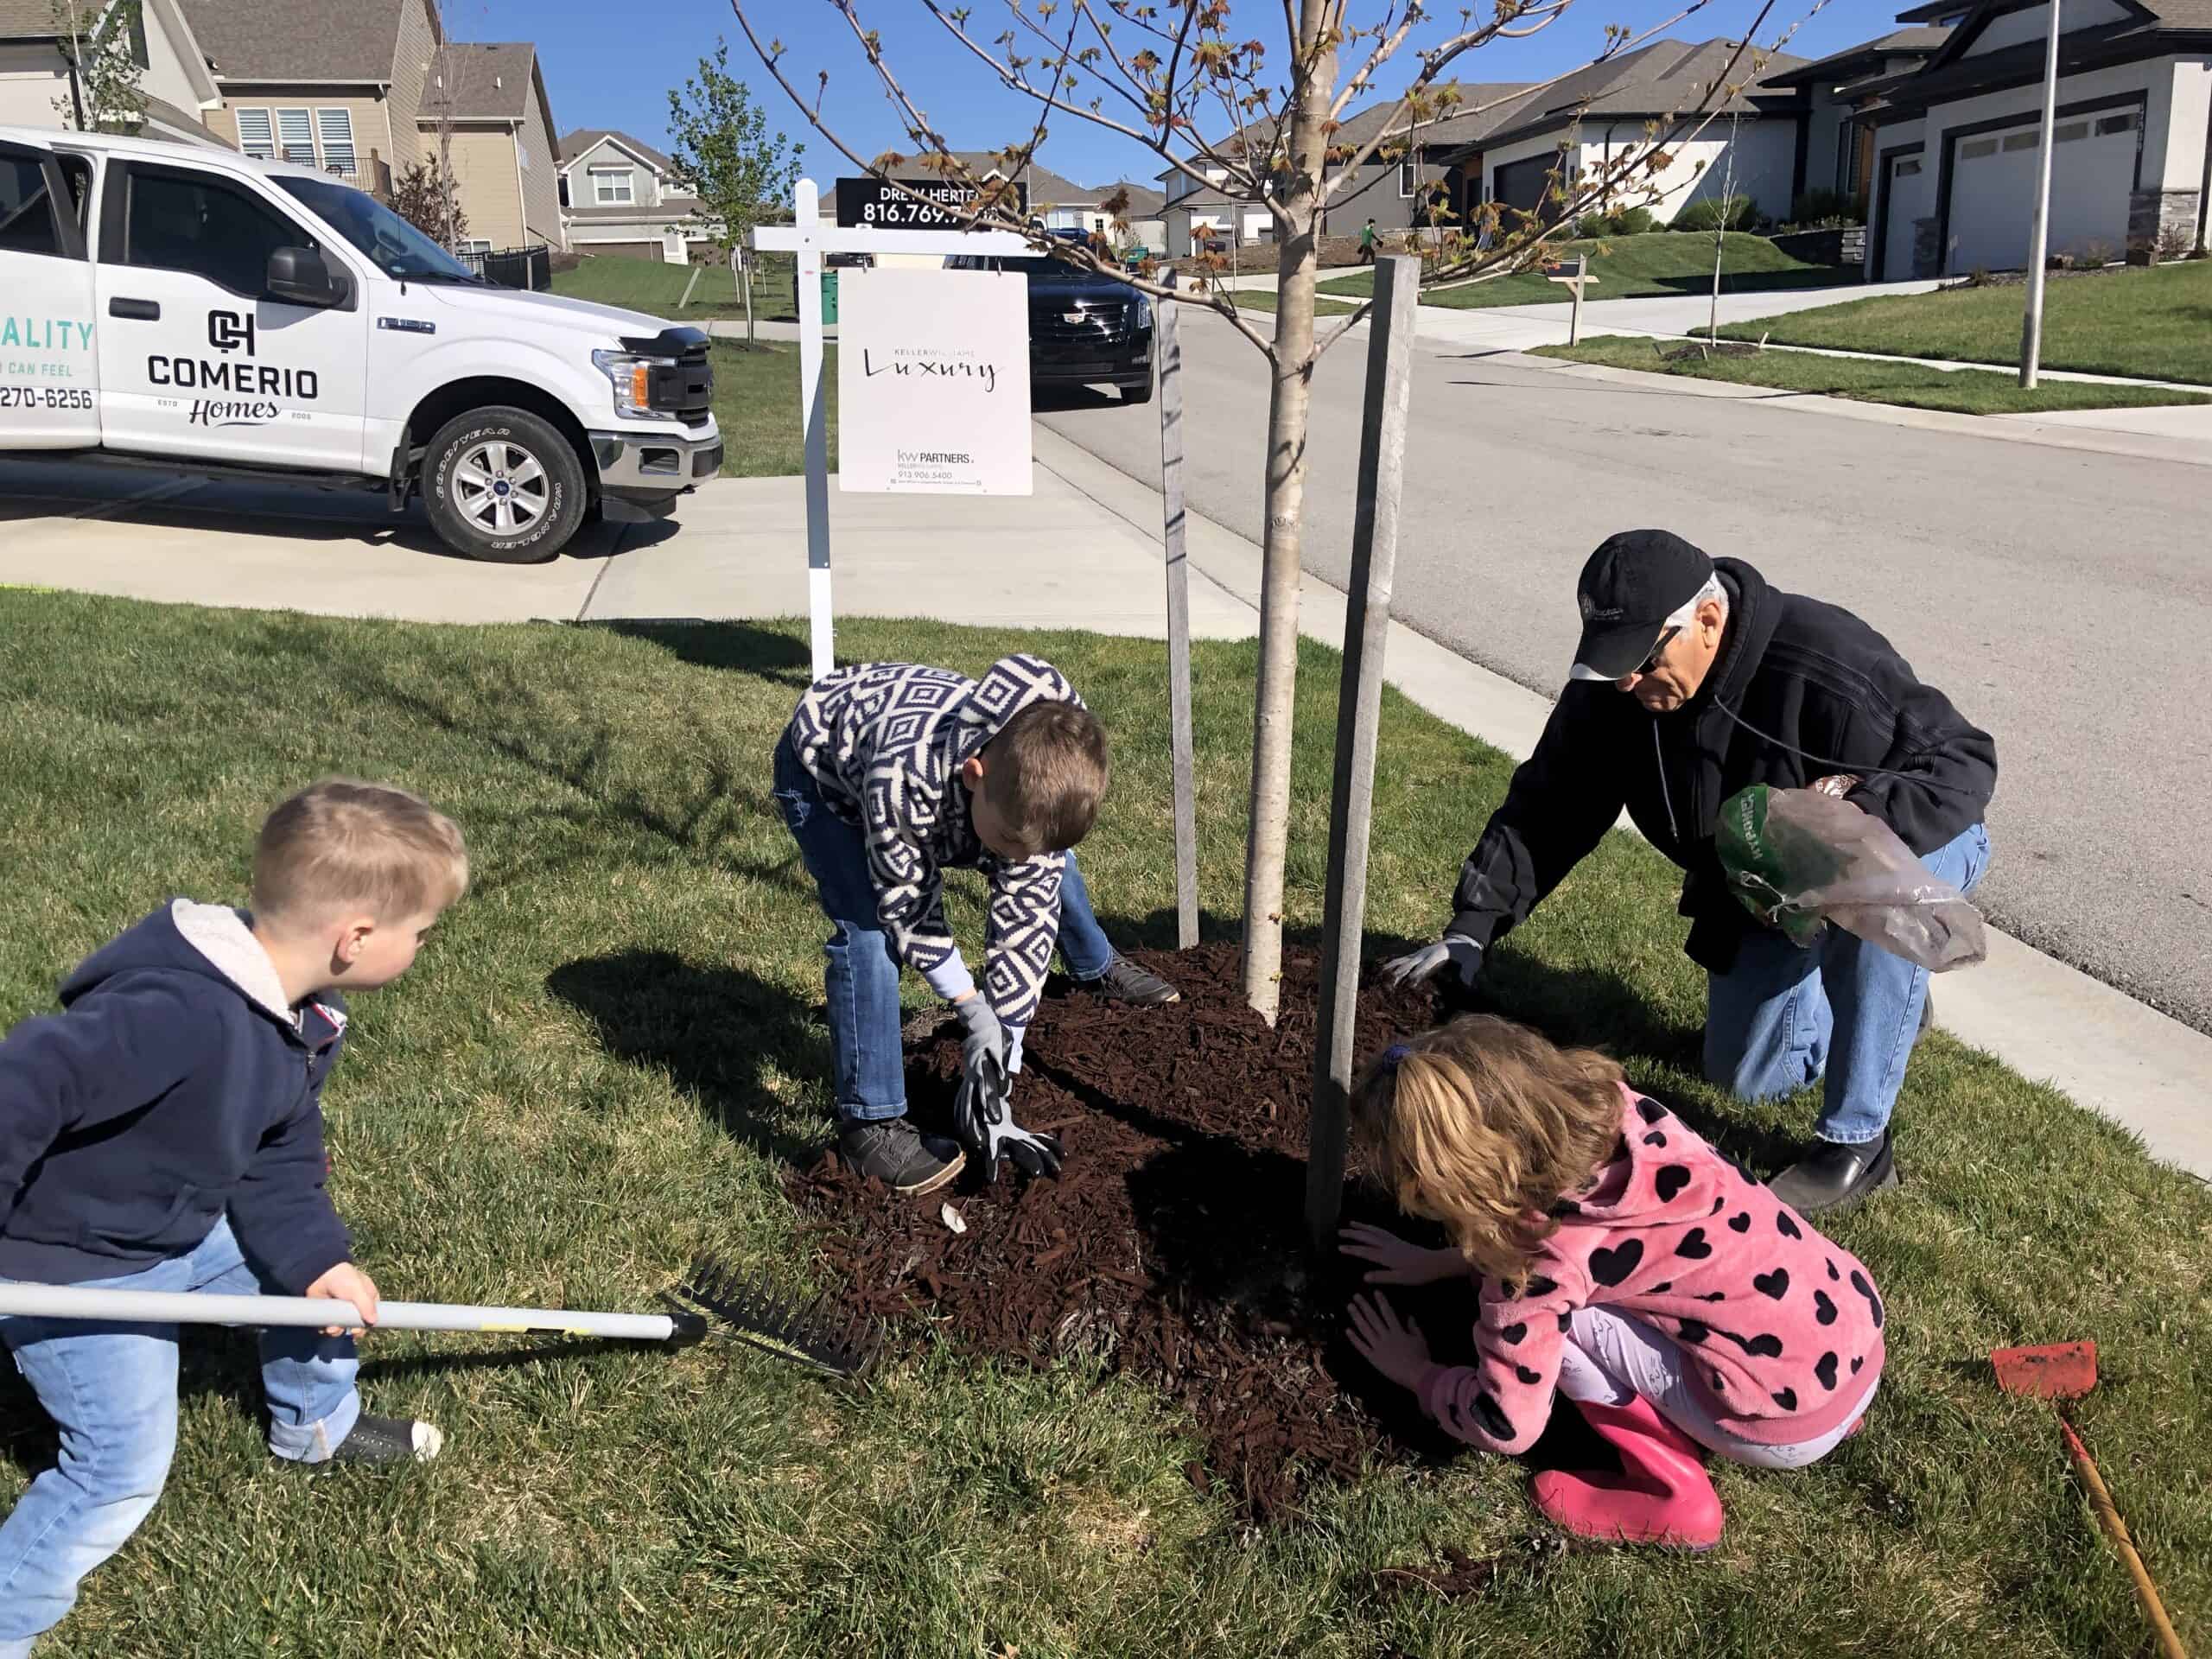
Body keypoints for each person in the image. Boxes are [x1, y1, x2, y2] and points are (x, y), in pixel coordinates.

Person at [1385, 530, 1994, 1214]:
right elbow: (1548, 804)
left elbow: (1963, 760)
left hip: (1896, 847)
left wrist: (1856, 819)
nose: (1626, 681)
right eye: (1614, 663)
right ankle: (1884, 1001)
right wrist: (1473, 927)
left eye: (1643, 660)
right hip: (1761, 881)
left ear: (1707, 619)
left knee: (1875, 909)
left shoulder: (1827, 658)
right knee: (1744, 1077)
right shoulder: (1619, 693)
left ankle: (1856, 1142)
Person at [0, 780, 468, 1656]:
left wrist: (315, 1257)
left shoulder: (301, 1016)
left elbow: (279, 1153)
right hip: (71, 1264)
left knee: (314, 1290)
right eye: (422, 933)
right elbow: (23, 1081)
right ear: (356, 936)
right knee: (118, 1469)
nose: (424, 946)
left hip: (174, 1227)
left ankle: (315, 1426)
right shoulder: (177, 1016)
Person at [1340, 1015, 1885, 1550]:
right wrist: (1440, 1263)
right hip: (1851, 1341)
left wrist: (1420, 1375)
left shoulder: (1537, 1264)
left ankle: (1671, 1490)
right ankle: (1832, 1417)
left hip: (1776, 1427)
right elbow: (1624, 1251)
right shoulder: (1628, 1112)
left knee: (1570, 1326)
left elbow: (1508, 1424)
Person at [776, 654, 1179, 1197]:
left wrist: (1000, 1054)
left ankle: (1093, 963)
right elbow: (909, 906)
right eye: (1008, 841)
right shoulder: (903, 779)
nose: (1016, 857)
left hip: (950, 794)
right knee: (868, 932)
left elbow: (1025, 920)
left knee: (1044, 862)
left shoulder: (1029, 779)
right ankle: (869, 1123)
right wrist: (970, 1006)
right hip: (827, 771)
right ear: (974, 775)